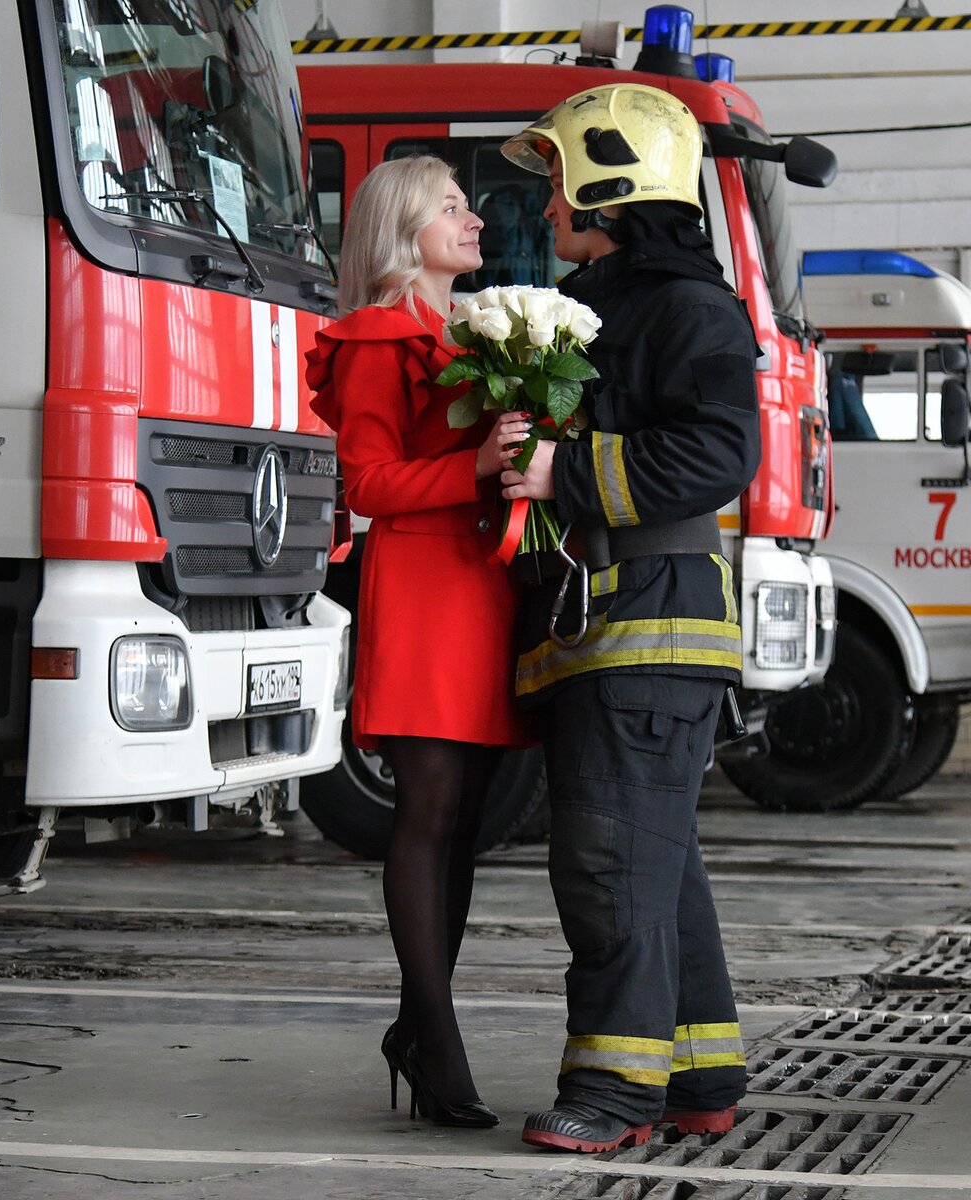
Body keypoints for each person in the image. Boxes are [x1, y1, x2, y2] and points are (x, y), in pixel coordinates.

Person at [494, 84, 759, 1153]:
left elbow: (717, 454)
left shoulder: (688, 308)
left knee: (609, 865)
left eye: (557, 179)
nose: (546, 202)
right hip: (617, 628)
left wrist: (563, 465)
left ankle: (614, 1096)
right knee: (655, 863)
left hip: (647, 631)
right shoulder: (625, 303)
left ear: (611, 183)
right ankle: (699, 1076)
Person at [304, 156, 530, 1128]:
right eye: (451, 207)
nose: (473, 219)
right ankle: (437, 1045)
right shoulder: (375, 340)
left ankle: (417, 1026)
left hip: (481, 583)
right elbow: (366, 486)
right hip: (426, 583)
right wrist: (477, 466)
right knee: (430, 810)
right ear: (403, 228)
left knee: (467, 816)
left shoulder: (466, 334)